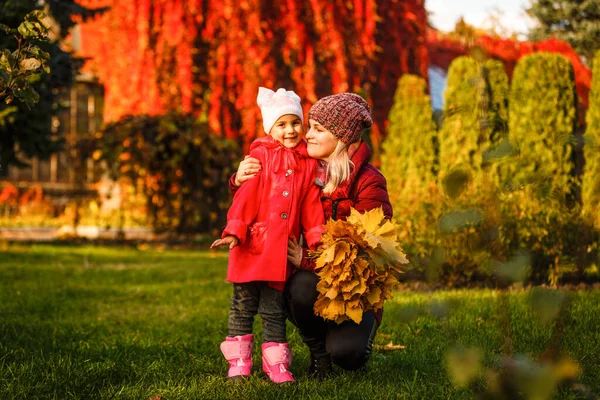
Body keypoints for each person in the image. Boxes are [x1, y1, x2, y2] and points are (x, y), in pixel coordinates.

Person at [232, 93, 392, 379]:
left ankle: (347, 343)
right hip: (316, 277)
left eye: (318, 128)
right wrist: (238, 178)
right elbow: (267, 193)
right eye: (311, 126)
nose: (308, 134)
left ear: (341, 137)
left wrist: (307, 257)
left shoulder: (369, 181)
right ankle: (319, 353)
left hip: (355, 291)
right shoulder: (305, 168)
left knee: (348, 355)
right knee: (298, 286)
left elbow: (370, 252)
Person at [211, 87, 324, 384]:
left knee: (273, 309)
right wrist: (234, 230)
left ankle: (276, 365)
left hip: (280, 253)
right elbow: (245, 196)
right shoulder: (260, 156)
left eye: (296, 123)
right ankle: (239, 362)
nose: (290, 130)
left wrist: (316, 239)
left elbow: (311, 206)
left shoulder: (308, 164)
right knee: (243, 304)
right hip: (252, 245)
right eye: (282, 124)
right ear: (271, 128)